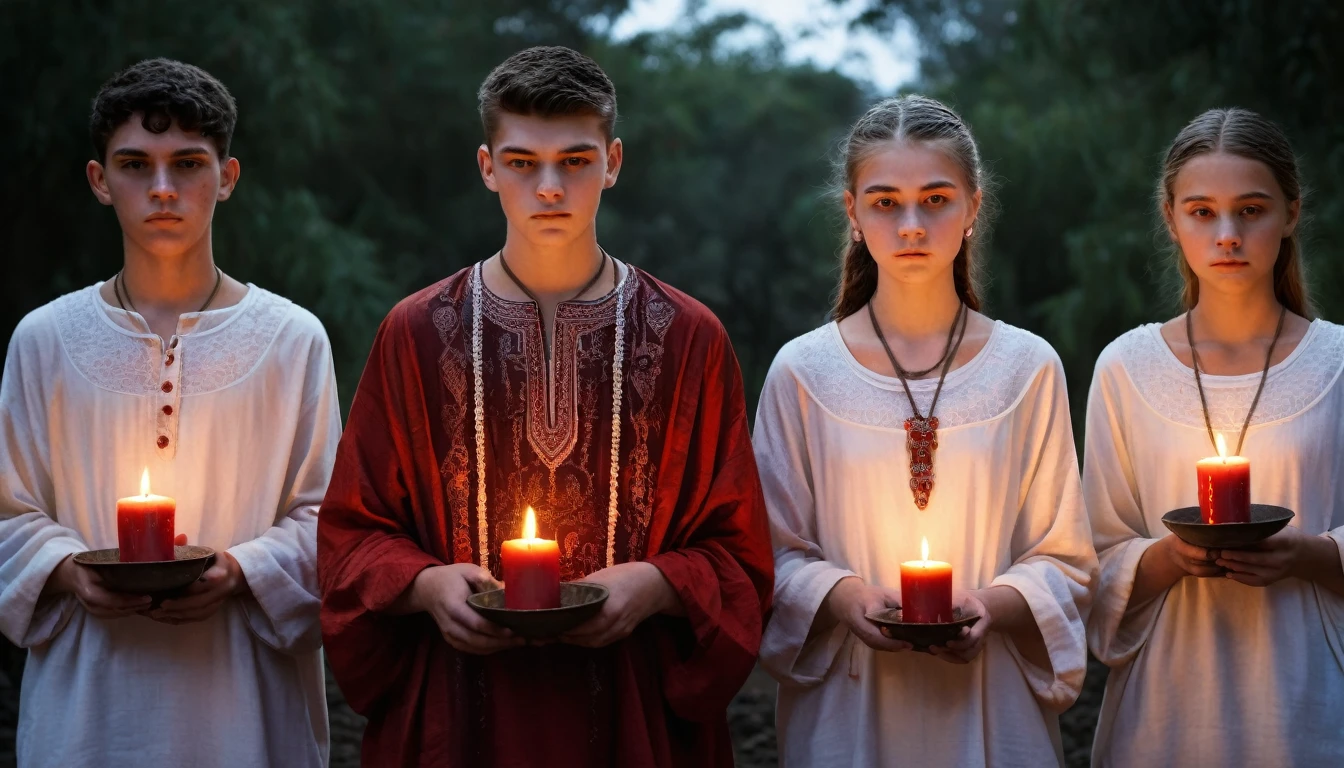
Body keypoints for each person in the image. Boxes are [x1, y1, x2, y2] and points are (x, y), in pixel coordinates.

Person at [317, 45, 773, 767]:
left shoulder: (690, 338)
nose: (551, 186)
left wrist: (655, 585)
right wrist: (428, 585)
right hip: (459, 707)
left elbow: (741, 552)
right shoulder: (412, 333)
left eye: (576, 160)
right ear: (488, 166)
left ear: (614, 161)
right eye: (524, 162)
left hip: (635, 711)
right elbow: (351, 533)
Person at [0, 58, 339, 766]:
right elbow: (8, 514)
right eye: (134, 164)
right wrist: (68, 569)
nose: (161, 189)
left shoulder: (291, 338)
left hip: (245, 709)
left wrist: (239, 570)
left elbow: (329, 522)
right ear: (100, 180)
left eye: (188, 163)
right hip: (88, 712)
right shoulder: (45, 339)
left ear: (228, 177)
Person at [755, 95, 1096, 766]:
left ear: (972, 208)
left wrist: (992, 605)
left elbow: (1065, 560)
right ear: (853, 214)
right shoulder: (802, 372)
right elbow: (770, 554)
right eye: (885, 203)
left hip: (992, 713)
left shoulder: (1027, 368)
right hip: (849, 719)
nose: (911, 224)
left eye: (936, 199)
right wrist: (846, 596)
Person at [1085, 107, 1344, 766]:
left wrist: (1308, 555)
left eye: (1251, 210)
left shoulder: (1338, 364)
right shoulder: (1125, 368)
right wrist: (1170, 558)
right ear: (1171, 218)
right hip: (1167, 711)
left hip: (1306, 703)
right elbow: (1092, 556)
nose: (1227, 234)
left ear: (1290, 214)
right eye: (1202, 212)